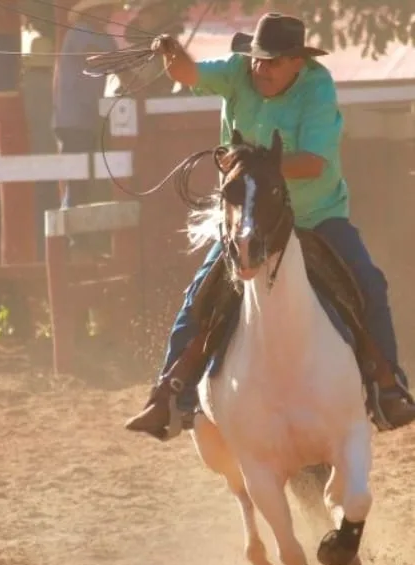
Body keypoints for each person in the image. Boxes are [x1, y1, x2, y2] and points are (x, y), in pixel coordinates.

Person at [124, 12, 415, 439]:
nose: (262, 68)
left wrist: (258, 168)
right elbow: (186, 72)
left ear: (298, 61)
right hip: (250, 218)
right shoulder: (236, 71)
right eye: (259, 59)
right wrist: (171, 49)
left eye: (274, 61)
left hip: (316, 217)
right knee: (200, 294)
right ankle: (169, 394)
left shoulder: (317, 87)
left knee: (369, 283)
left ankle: (388, 387)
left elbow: (314, 163)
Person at [52, 0, 122, 209]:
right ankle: (73, 236)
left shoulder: (106, 39)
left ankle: (81, 234)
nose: (108, 13)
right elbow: (94, 57)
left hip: (89, 118)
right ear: (91, 12)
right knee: (77, 180)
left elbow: (119, 65)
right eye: (104, 8)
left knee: (87, 180)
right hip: (73, 118)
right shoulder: (80, 31)